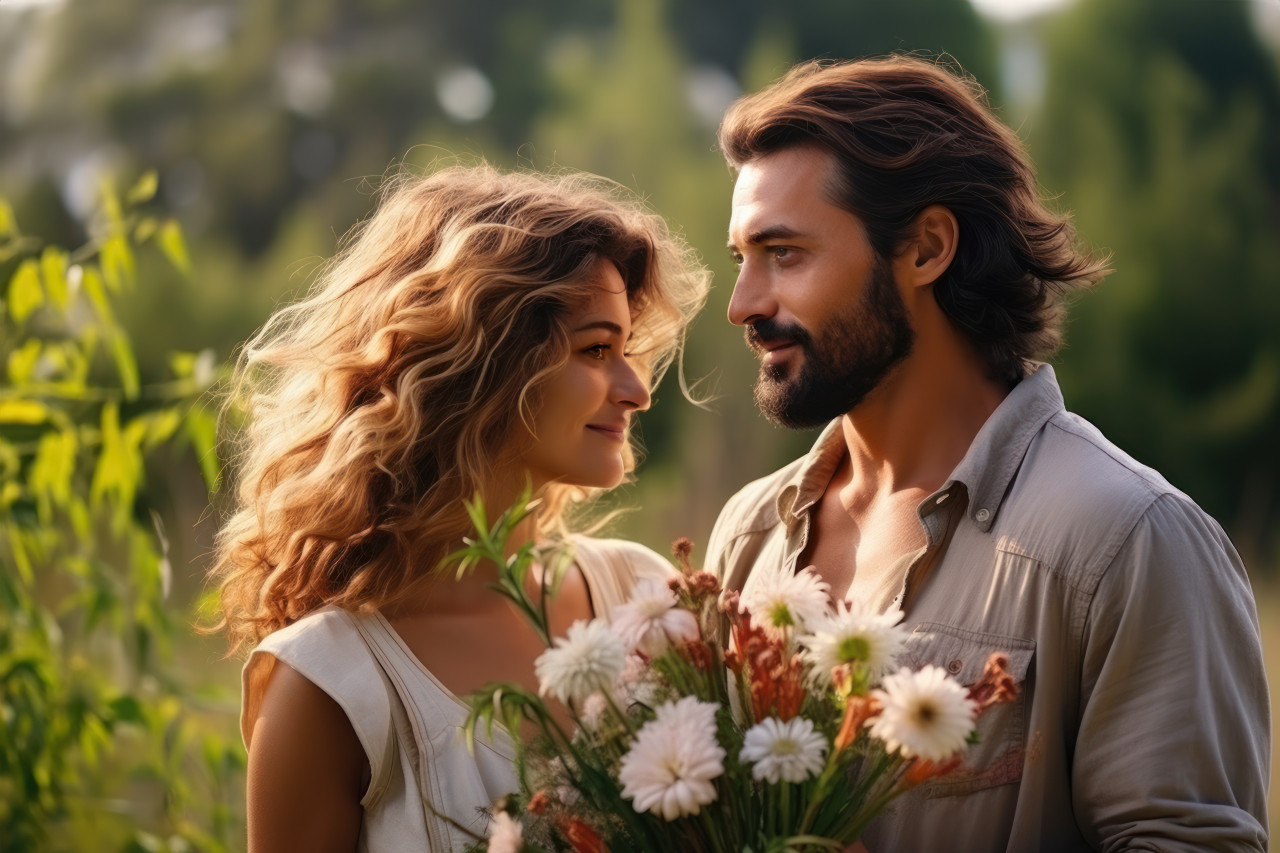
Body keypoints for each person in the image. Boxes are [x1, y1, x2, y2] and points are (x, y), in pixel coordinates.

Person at [706, 56, 1269, 851]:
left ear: (928, 248)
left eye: (785, 253)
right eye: (742, 259)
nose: (744, 305)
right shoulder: (746, 536)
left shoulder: (1127, 541)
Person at [211, 163, 709, 852]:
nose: (636, 388)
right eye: (597, 349)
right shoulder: (332, 681)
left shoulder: (648, 596)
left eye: (629, 349)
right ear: (484, 362)